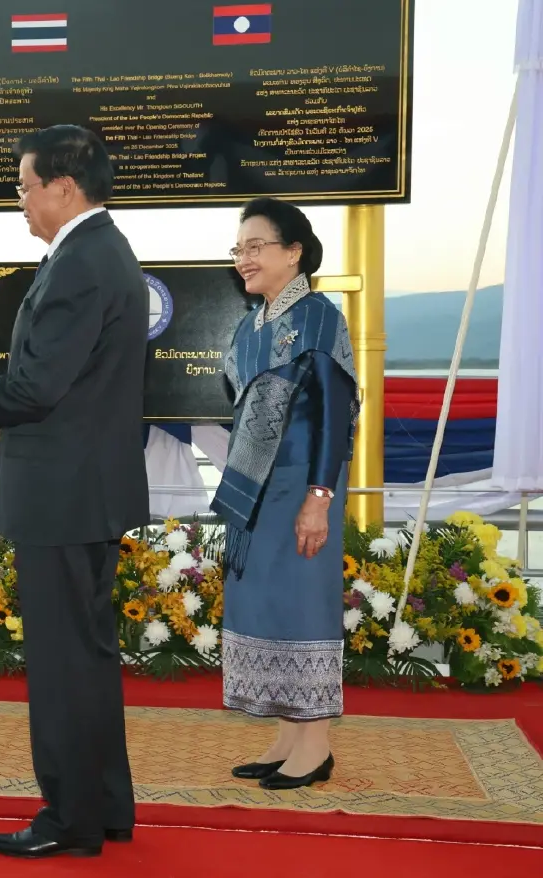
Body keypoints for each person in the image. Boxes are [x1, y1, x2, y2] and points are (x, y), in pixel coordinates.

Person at [0, 125, 149, 859]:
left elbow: (37, 385)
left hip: (62, 495)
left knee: (64, 664)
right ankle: (102, 807)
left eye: (23, 186)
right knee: (89, 656)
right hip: (87, 489)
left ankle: (68, 820)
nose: (21, 201)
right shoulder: (103, 251)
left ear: (63, 186)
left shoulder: (78, 261)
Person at [211, 197, 359, 790]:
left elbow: (334, 411)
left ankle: (316, 744)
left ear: (293, 252)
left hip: (303, 481)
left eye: (256, 247)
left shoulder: (318, 315)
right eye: (238, 249)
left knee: (302, 602)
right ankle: (286, 735)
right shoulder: (253, 325)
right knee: (265, 604)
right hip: (257, 491)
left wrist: (319, 496)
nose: (244, 259)